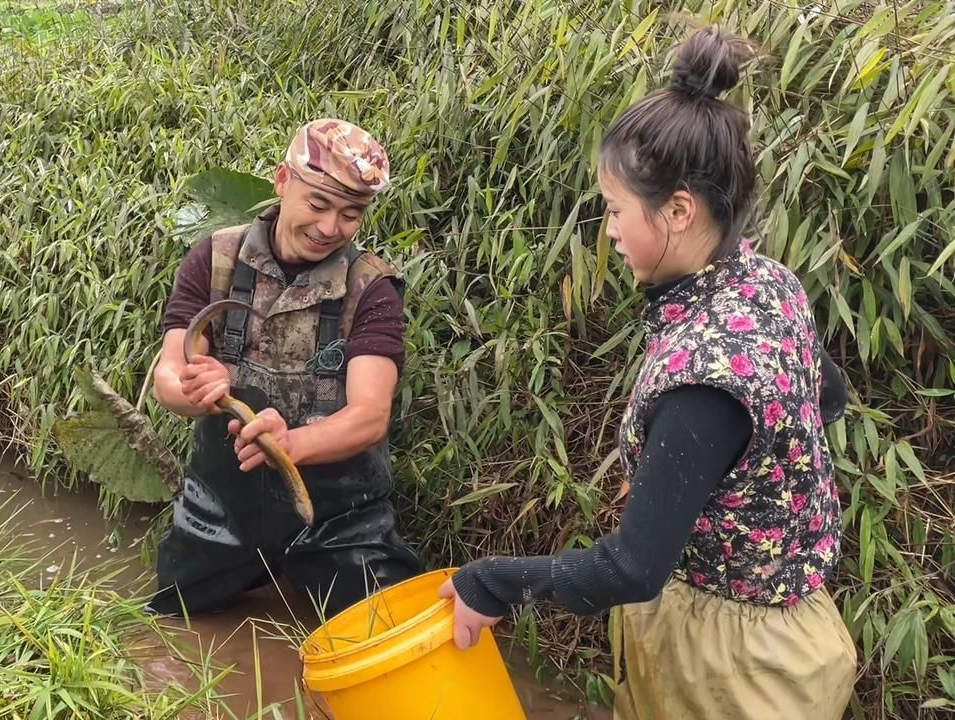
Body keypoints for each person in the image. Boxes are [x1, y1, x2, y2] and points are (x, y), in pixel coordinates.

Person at [438, 26, 858, 719]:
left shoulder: (706, 377)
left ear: (679, 210)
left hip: (735, 666)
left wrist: (492, 582)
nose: (607, 230)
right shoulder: (766, 282)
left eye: (615, 210)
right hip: (789, 630)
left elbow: (633, 568)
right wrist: (721, 476)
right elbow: (827, 397)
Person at [147, 118, 423, 619]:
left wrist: (287, 447)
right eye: (318, 204)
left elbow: (369, 415)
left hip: (339, 520)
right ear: (282, 181)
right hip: (220, 509)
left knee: (386, 625)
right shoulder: (215, 260)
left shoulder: (372, 287)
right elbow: (169, 376)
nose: (329, 228)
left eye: (350, 214)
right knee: (169, 621)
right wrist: (193, 388)